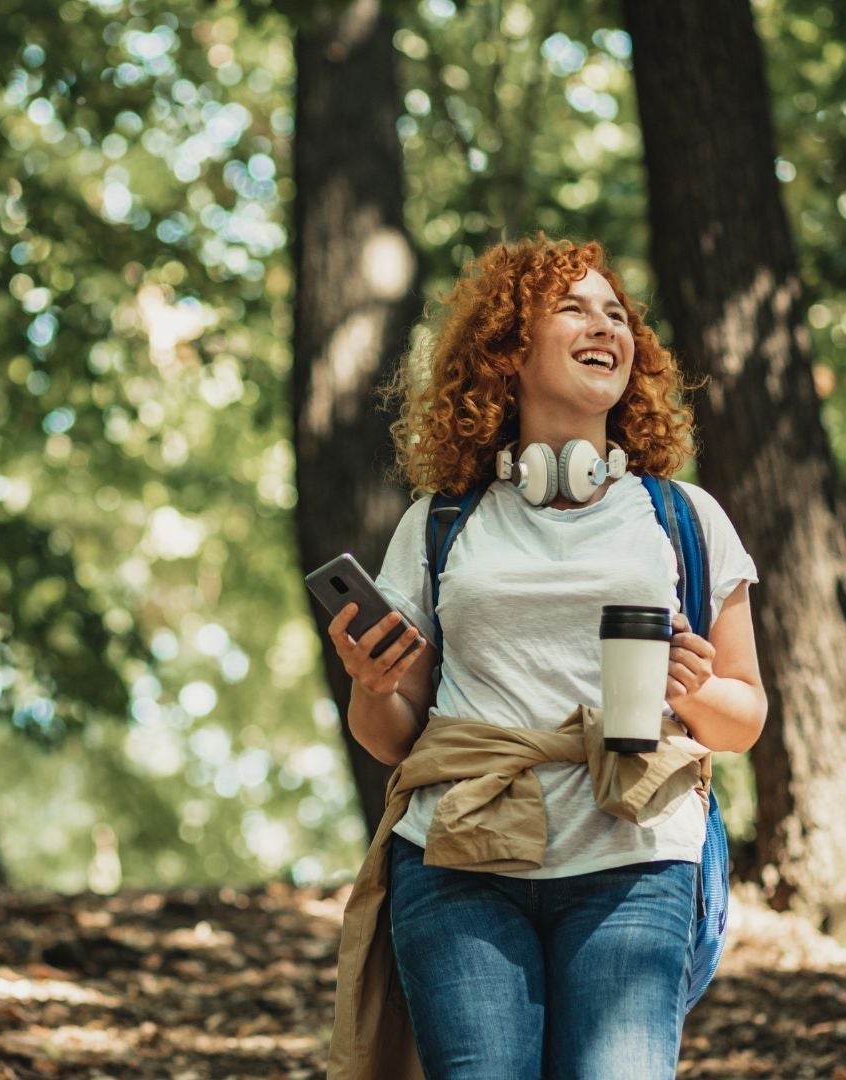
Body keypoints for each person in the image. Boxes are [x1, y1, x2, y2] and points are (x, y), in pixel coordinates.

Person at [323, 235, 768, 1080]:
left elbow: (745, 715)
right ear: (507, 352)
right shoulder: (438, 522)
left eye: (615, 312)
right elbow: (391, 736)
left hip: (635, 858)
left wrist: (699, 689)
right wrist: (370, 685)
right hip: (458, 858)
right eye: (572, 307)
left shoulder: (686, 518)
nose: (603, 323)